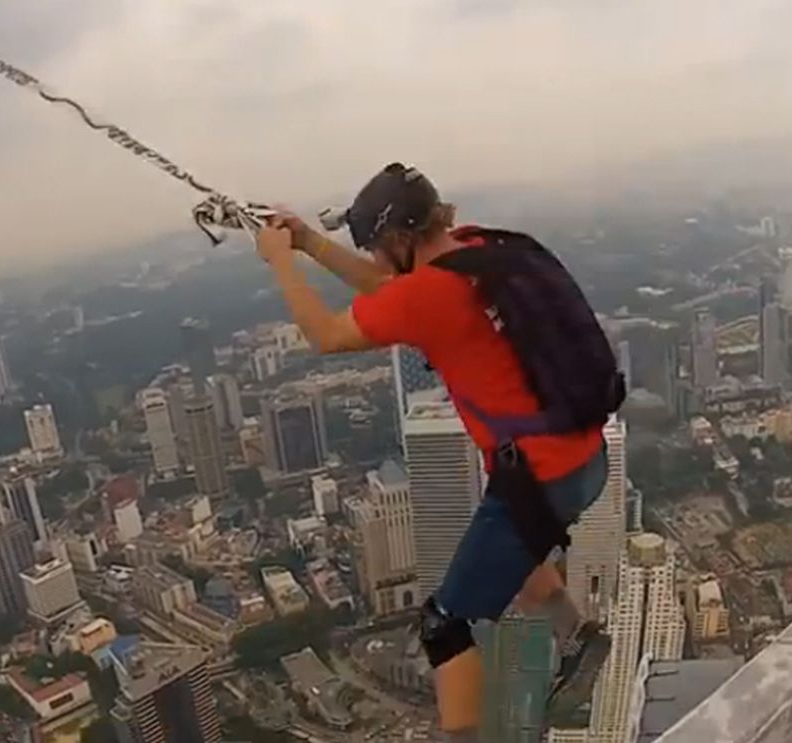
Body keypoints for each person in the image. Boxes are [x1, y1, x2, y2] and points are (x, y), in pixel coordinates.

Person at [256, 163, 611, 742]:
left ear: (399, 241)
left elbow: (324, 335)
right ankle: (576, 634)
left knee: (443, 626)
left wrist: (281, 262)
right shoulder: (477, 248)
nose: (372, 260)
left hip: (541, 479)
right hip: (582, 453)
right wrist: (310, 242)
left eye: (374, 247)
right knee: (515, 558)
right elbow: (393, 292)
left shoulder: (429, 293)